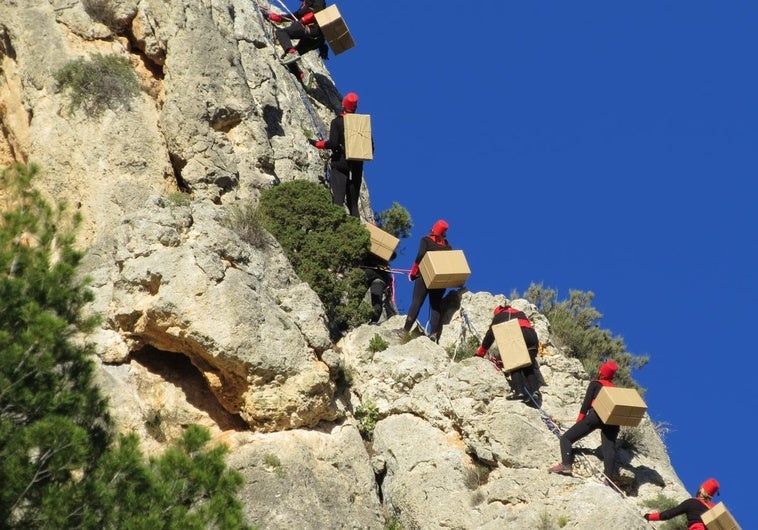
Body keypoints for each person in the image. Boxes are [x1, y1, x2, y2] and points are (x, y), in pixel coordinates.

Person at [548, 360, 620, 480]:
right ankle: (608, 479)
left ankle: (566, 464)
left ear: (601, 371)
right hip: (612, 420)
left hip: (595, 416)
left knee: (566, 438)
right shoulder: (615, 389)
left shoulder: (596, 384)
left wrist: (579, 421)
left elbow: (586, 404)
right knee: (609, 449)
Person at [308, 93, 369, 217]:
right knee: (353, 204)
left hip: (340, 163)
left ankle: (337, 230)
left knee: (338, 199)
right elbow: (370, 147)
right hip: (356, 165)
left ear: (343, 105)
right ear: (355, 108)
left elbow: (333, 144)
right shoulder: (361, 125)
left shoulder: (337, 122)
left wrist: (317, 144)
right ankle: (355, 233)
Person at [476, 304, 542, 405]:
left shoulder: (499, 316)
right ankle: (535, 392)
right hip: (532, 337)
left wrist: (480, 353)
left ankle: (519, 391)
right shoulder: (520, 313)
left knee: (513, 361)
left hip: (519, 334)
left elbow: (490, 336)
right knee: (528, 366)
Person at [402, 220, 452, 342]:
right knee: (435, 305)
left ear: (433, 229)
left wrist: (413, 272)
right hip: (440, 278)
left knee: (417, 302)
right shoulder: (447, 246)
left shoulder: (426, 240)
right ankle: (434, 334)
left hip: (424, 276)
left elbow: (420, 256)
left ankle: (405, 330)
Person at [266, 0, 327, 87]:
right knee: (287, 58)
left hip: (313, 29)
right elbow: (294, 16)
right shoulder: (304, 5)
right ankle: (302, 77)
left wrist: (304, 20)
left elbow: (318, 12)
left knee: (281, 33)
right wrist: (280, 18)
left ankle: (292, 53)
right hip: (314, 41)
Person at [644, 478, 720, 530]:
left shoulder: (692, 502)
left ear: (701, 489)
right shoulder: (714, 509)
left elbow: (669, 514)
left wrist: (649, 517)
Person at [362, 251, 397, 325]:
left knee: (359, 293)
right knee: (377, 298)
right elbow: (393, 255)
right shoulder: (385, 254)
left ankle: (374, 319)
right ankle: (374, 320)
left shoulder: (371, 250)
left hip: (369, 272)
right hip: (381, 276)